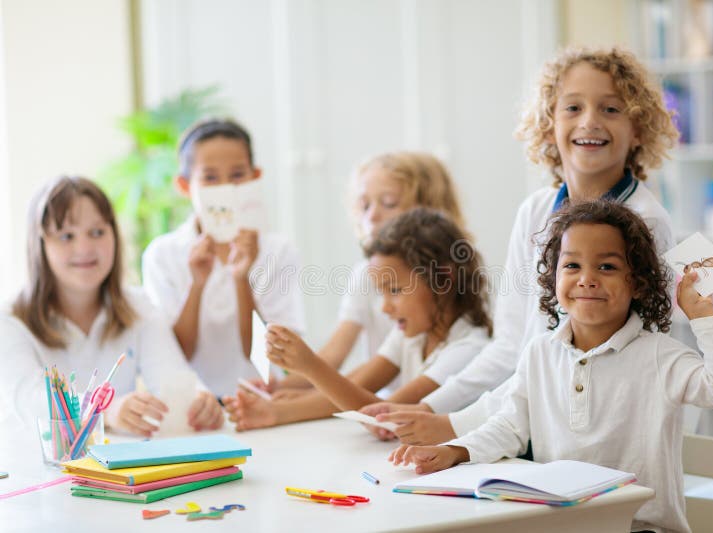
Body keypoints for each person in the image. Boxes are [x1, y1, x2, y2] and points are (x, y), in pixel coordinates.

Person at [364, 45, 680, 445]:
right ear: (548, 125)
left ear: (638, 130)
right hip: (529, 423)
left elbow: (621, 363)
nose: (590, 121)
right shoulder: (535, 212)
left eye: (611, 109)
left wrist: (458, 424)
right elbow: (513, 347)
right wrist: (433, 407)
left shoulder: (647, 222)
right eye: (572, 108)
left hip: (603, 434)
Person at [389, 200, 713, 533]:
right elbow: (510, 425)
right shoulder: (539, 353)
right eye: (572, 265)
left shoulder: (660, 356)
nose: (586, 278)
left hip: (640, 527)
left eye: (607, 266)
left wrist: (704, 318)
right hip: (561, 524)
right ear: (553, 279)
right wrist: (455, 450)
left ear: (637, 283)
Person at [224, 207, 491, 430]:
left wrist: (309, 368)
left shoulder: (468, 350)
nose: (385, 308)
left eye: (395, 290)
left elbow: (383, 418)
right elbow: (356, 387)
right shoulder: (411, 335)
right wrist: (288, 401)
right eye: (381, 292)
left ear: (443, 280)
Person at [1, 176, 224, 436]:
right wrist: (104, 411)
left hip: (116, 471)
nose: (84, 248)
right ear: (40, 245)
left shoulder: (138, 307)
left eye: (97, 232)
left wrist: (199, 400)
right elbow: (30, 398)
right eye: (66, 236)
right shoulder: (11, 320)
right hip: (34, 471)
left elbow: (172, 375)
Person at [270, 151, 467, 393]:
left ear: (429, 212)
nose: (372, 216)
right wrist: (278, 389)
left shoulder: (453, 281)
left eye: (389, 203)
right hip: (386, 403)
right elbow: (336, 357)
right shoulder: (365, 274)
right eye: (364, 206)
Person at [142, 118, 305, 396]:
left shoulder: (278, 250)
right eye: (210, 178)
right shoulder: (163, 254)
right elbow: (173, 355)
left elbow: (266, 356)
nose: (226, 188)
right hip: (192, 406)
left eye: (237, 175)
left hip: (260, 400)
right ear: (184, 185)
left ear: (255, 176)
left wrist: (242, 280)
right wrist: (197, 285)